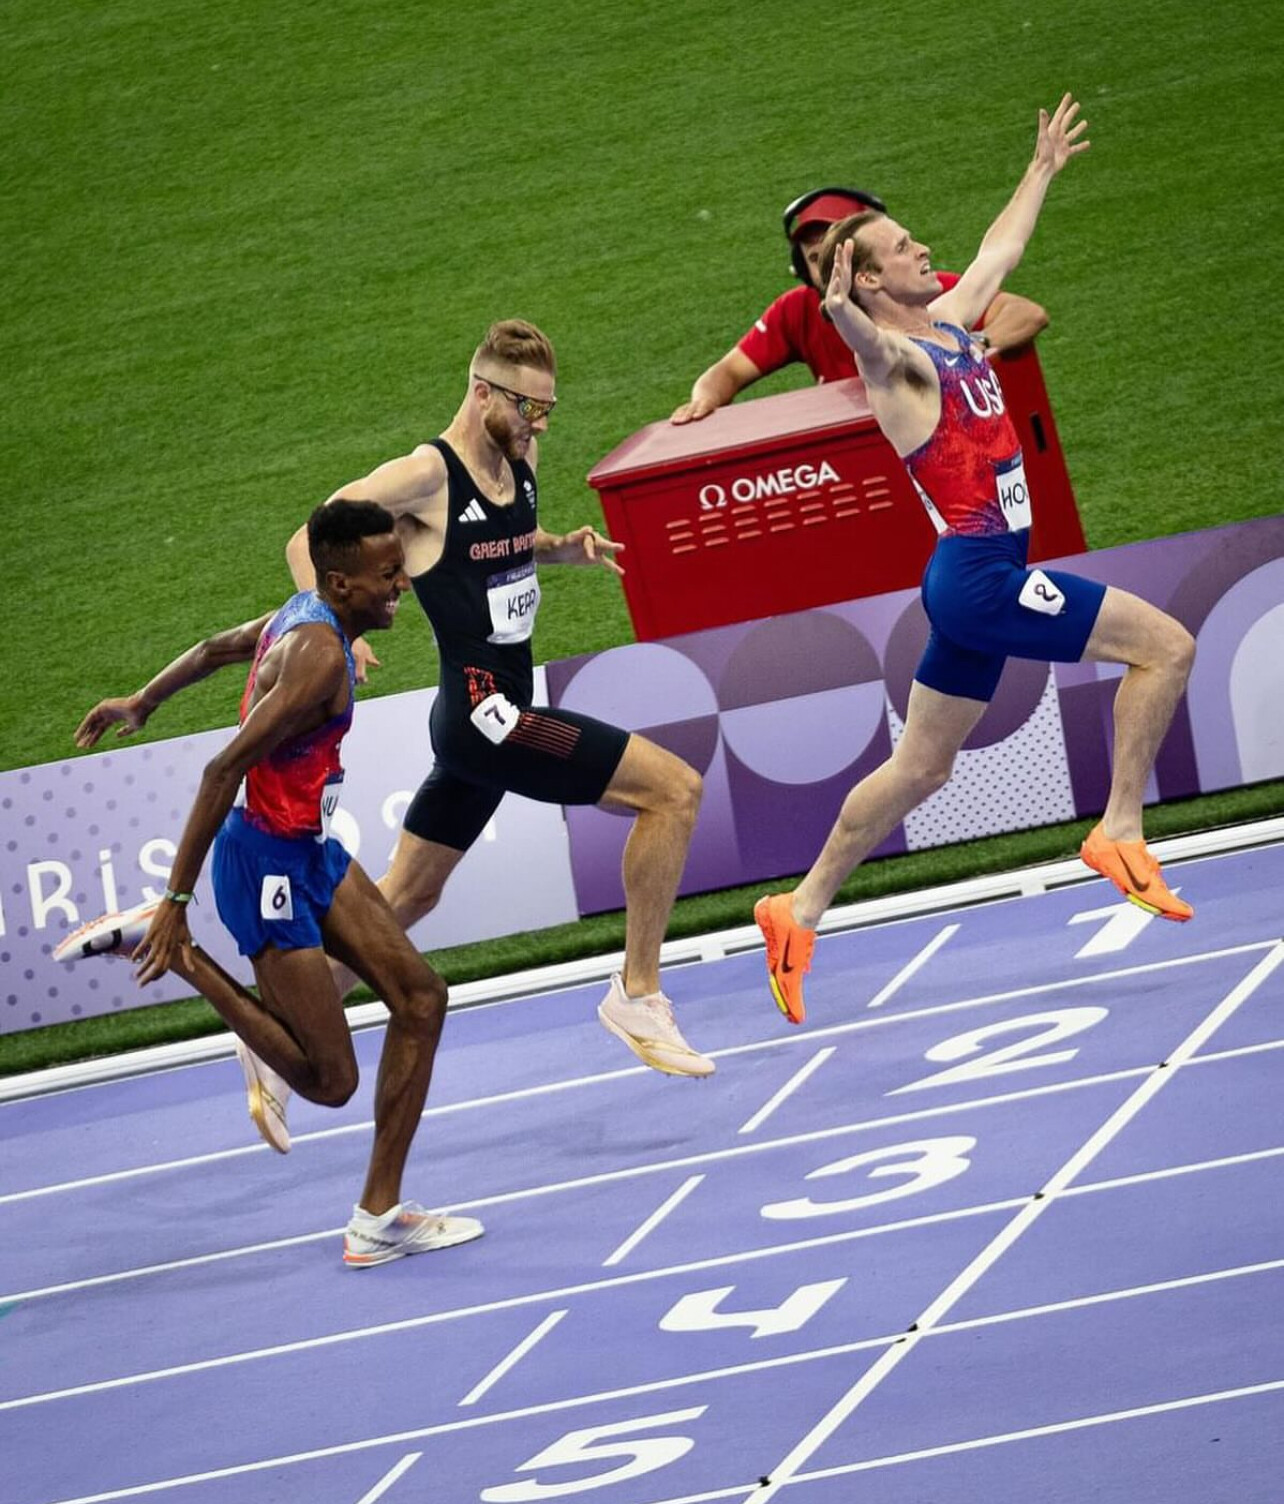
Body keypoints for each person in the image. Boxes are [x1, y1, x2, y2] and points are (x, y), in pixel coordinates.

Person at [752, 95, 1197, 1027]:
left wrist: (1040, 169)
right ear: (870, 283)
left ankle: (799, 910)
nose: (923, 249)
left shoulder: (954, 322)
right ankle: (1118, 830)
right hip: (984, 577)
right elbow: (868, 344)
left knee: (921, 769)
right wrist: (840, 311)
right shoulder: (898, 363)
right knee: (1166, 649)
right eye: (902, 248)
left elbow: (1000, 252)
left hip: (963, 585)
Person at [282, 318, 714, 1082]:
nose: (538, 424)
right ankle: (638, 993)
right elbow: (306, 539)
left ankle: (283, 1029)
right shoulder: (426, 476)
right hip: (489, 718)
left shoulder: (521, 456)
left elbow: (510, 542)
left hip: (483, 716)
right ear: (483, 392)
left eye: (547, 410)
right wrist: (334, 630)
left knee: (408, 894)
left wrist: (560, 548)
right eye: (526, 407)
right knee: (673, 792)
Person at [56, 501, 484, 1268]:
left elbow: (216, 648)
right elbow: (223, 769)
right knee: (329, 1081)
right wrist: (179, 902)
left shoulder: (303, 613)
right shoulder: (318, 656)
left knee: (422, 999)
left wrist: (143, 701)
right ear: (340, 582)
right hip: (265, 866)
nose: (402, 585)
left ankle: (378, 1218)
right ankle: (180, 954)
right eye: (388, 574)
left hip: (310, 849)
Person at [671, 185, 1048, 424]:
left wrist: (973, 346)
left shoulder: (926, 293)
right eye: (816, 258)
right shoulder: (797, 310)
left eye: (838, 253)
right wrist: (704, 400)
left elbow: (1025, 311)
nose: (828, 268)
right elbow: (728, 371)